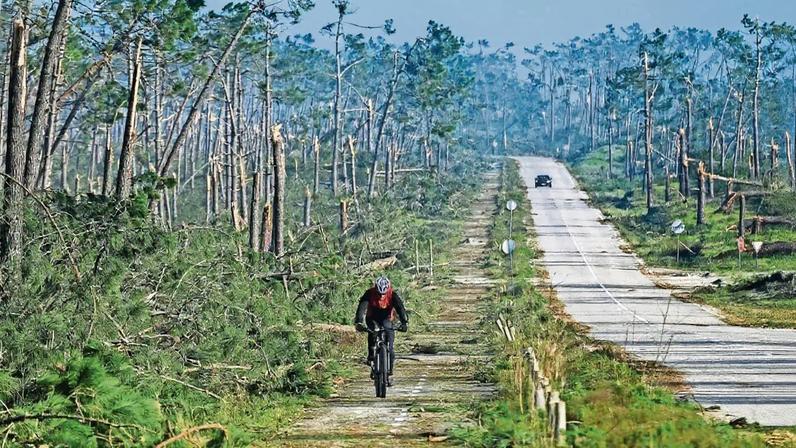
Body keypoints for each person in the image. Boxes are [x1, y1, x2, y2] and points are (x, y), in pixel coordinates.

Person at [354, 276, 408, 386]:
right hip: (372, 317)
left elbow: (400, 308)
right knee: (373, 331)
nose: (381, 296)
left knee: (391, 347)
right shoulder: (369, 293)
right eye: (379, 293)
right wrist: (359, 321)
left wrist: (404, 322)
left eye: (383, 294)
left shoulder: (393, 295)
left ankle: (389, 372)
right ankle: (371, 356)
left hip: (387, 318)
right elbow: (362, 307)